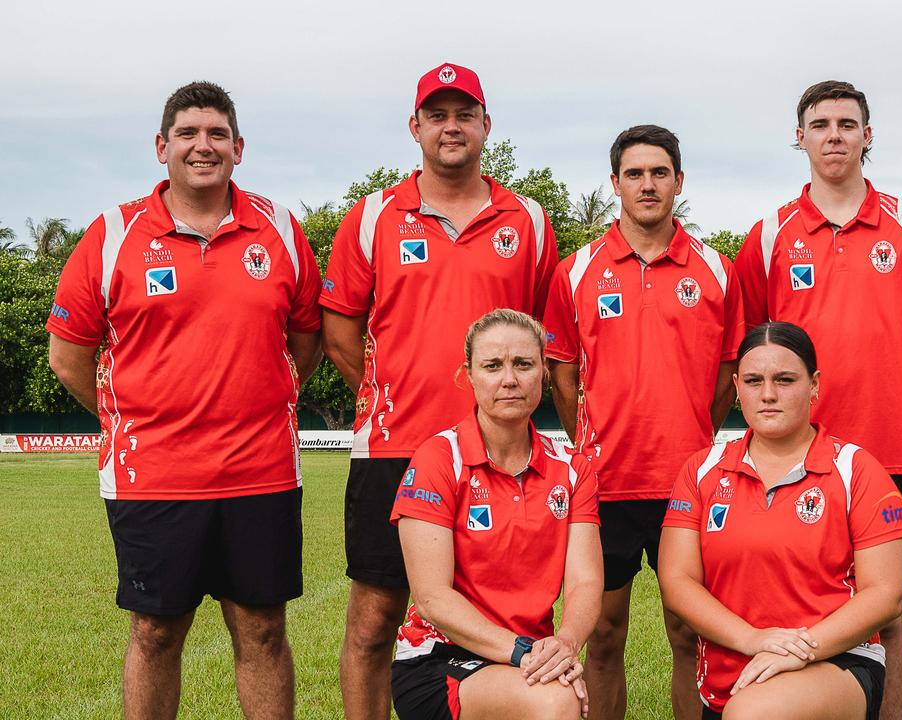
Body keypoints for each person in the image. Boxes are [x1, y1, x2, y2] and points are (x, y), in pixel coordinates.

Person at [45, 81, 322, 719]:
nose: (204, 146)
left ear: (239, 147)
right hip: (153, 477)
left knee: (263, 631)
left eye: (218, 134)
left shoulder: (279, 227)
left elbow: (304, 341)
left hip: (261, 474)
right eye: (189, 134)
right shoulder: (113, 233)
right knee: (156, 633)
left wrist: (260, 399)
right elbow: (68, 357)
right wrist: (135, 420)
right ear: (161, 146)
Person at [320, 62, 558, 719]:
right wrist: (391, 393)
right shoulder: (372, 217)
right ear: (415, 126)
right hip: (396, 448)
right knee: (374, 619)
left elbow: (535, 334)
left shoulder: (530, 221)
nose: (451, 127)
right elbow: (341, 332)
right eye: (437, 115)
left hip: (502, 455)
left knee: (500, 615)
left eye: (464, 114)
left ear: (486, 125)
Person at [733, 80, 902, 719]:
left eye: (846, 123)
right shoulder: (769, 235)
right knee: (784, 598)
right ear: (799, 137)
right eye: (820, 124)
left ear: (868, 134)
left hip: (885, 451)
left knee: (884, 613)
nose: (833, 135)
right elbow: (756, 346)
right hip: (791, 455)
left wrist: (888, 384)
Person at [542, 125, 745, 720]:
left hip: (689, 484)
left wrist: (689, 434)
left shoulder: (717, 270)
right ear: (614, 183)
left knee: (690, 634)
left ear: (679, 181)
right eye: (635, 173)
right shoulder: (574, 271)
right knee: (601, 638)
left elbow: (727, 378)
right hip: (603, 485)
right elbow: (561, 377)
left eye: (660, 173)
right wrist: (594, 441)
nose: (648, 184)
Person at [659, 321, 902, 720]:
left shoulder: (857, 470)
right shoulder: (701, 470)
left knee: (754, 713)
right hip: (733, 665)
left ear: (814, 385)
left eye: (785, 379)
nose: (769, 394)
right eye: (755, 381)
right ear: (737, 386)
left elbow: (886, 593)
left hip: (835, 659)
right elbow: (677, 581)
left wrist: (800, 648)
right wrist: (754, 640)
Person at [388, 309, 602, 720]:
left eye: (523, 364)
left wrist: (566, 645)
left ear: (544, 372)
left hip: (530, 656)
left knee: (555, 694)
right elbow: (432, 598)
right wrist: (526, 654)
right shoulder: (438, 458)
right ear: (468, 375)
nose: (509, 379)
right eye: (492, 365)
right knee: (557, 701)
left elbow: (586, 580)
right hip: (440, 655)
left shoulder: (572, 468)